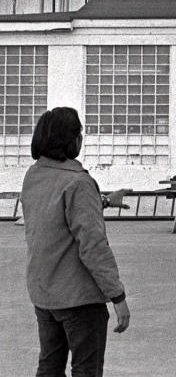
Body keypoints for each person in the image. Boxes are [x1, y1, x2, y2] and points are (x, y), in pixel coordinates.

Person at [21, 107, 131, 377]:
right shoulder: (79, 183)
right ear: (70, 140)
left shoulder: (34, 176)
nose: (81, 138)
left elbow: (56, 214)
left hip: (45, 294)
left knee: (49, 366)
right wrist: (117, 296)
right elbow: (93, 246)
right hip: (79, 300)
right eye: (79, 133)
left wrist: (102, 201)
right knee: (86, 370)